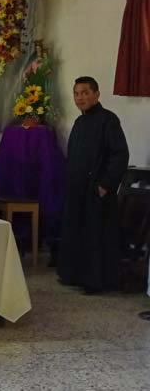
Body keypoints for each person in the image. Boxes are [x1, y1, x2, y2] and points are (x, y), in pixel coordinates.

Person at [58, 76, 129, 295]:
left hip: (97, 190)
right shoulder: (79, 123)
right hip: (77, 189)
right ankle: (74, 275)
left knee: (96, 236)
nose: (80, 98)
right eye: (76, 94)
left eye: (85, 93)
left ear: (96, 94)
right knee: (76, 232)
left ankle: (96, 281)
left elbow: (120, 154)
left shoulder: (108, 120)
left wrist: (105, 184)